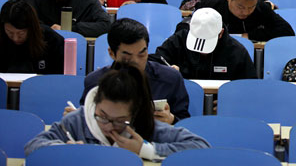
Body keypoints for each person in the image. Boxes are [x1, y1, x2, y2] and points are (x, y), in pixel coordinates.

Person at [25, 64, 209, 161]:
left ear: (134, 113)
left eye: (120, 120)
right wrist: (64, 151)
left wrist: (144, 149)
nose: (109, 127)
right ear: (95, 104)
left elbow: (200, 147)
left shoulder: (144, 125)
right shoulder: (78, 120)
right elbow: (33, 145)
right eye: (102, 117)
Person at [77, 18, 190, 124]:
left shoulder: (170, 79)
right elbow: (86, 121)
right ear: (111, 53)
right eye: (127, 56)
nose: (136, 62)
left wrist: (171, 119)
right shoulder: (95, 82)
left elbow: (185, 122)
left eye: (142, 54)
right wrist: (77, 118)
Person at [151, 8, 257, 80]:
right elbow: (156, 62)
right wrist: (169, 71)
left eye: (207, 41)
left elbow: (248, 85)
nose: (202, 51)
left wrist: (227, 99)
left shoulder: (236, 52)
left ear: (220, 33)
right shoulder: (178, 40)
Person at [193, 0, 294, 41]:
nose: (246, 12)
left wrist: (249, 36)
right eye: (240, 7)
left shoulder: (261, 8)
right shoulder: (210, 8)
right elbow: (190, 29)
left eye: (251, 7)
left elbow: (287, 31)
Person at [0, 0, 64, 74]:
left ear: (31, 28)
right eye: (10, 32)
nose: (15, 38)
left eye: (21, 33)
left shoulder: (51, 40)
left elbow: (60, 76)